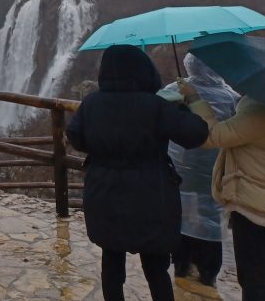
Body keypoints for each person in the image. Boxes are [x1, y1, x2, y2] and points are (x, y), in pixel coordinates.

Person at [67, 45, 208, 301]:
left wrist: (104, 150)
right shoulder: (156, 106)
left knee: (111, 263)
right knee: (155, 267)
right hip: (150, 196)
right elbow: (196, 134)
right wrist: (190, 104)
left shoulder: (92, 103)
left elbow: (75, 137)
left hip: (104, 192)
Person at [180, 76, 265, 300]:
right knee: (261, 265)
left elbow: (211, 136)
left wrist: (194, 98)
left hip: (255, 206)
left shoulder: (260, 114)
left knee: (253, 271)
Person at [160, 54, 238, 287]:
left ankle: (181, 264)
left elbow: (160, 117)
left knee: (182, 215)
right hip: (216, 169)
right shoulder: (231, 97)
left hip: (179, 167)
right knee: (213, 219)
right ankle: (208, 271)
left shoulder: (175, 90)